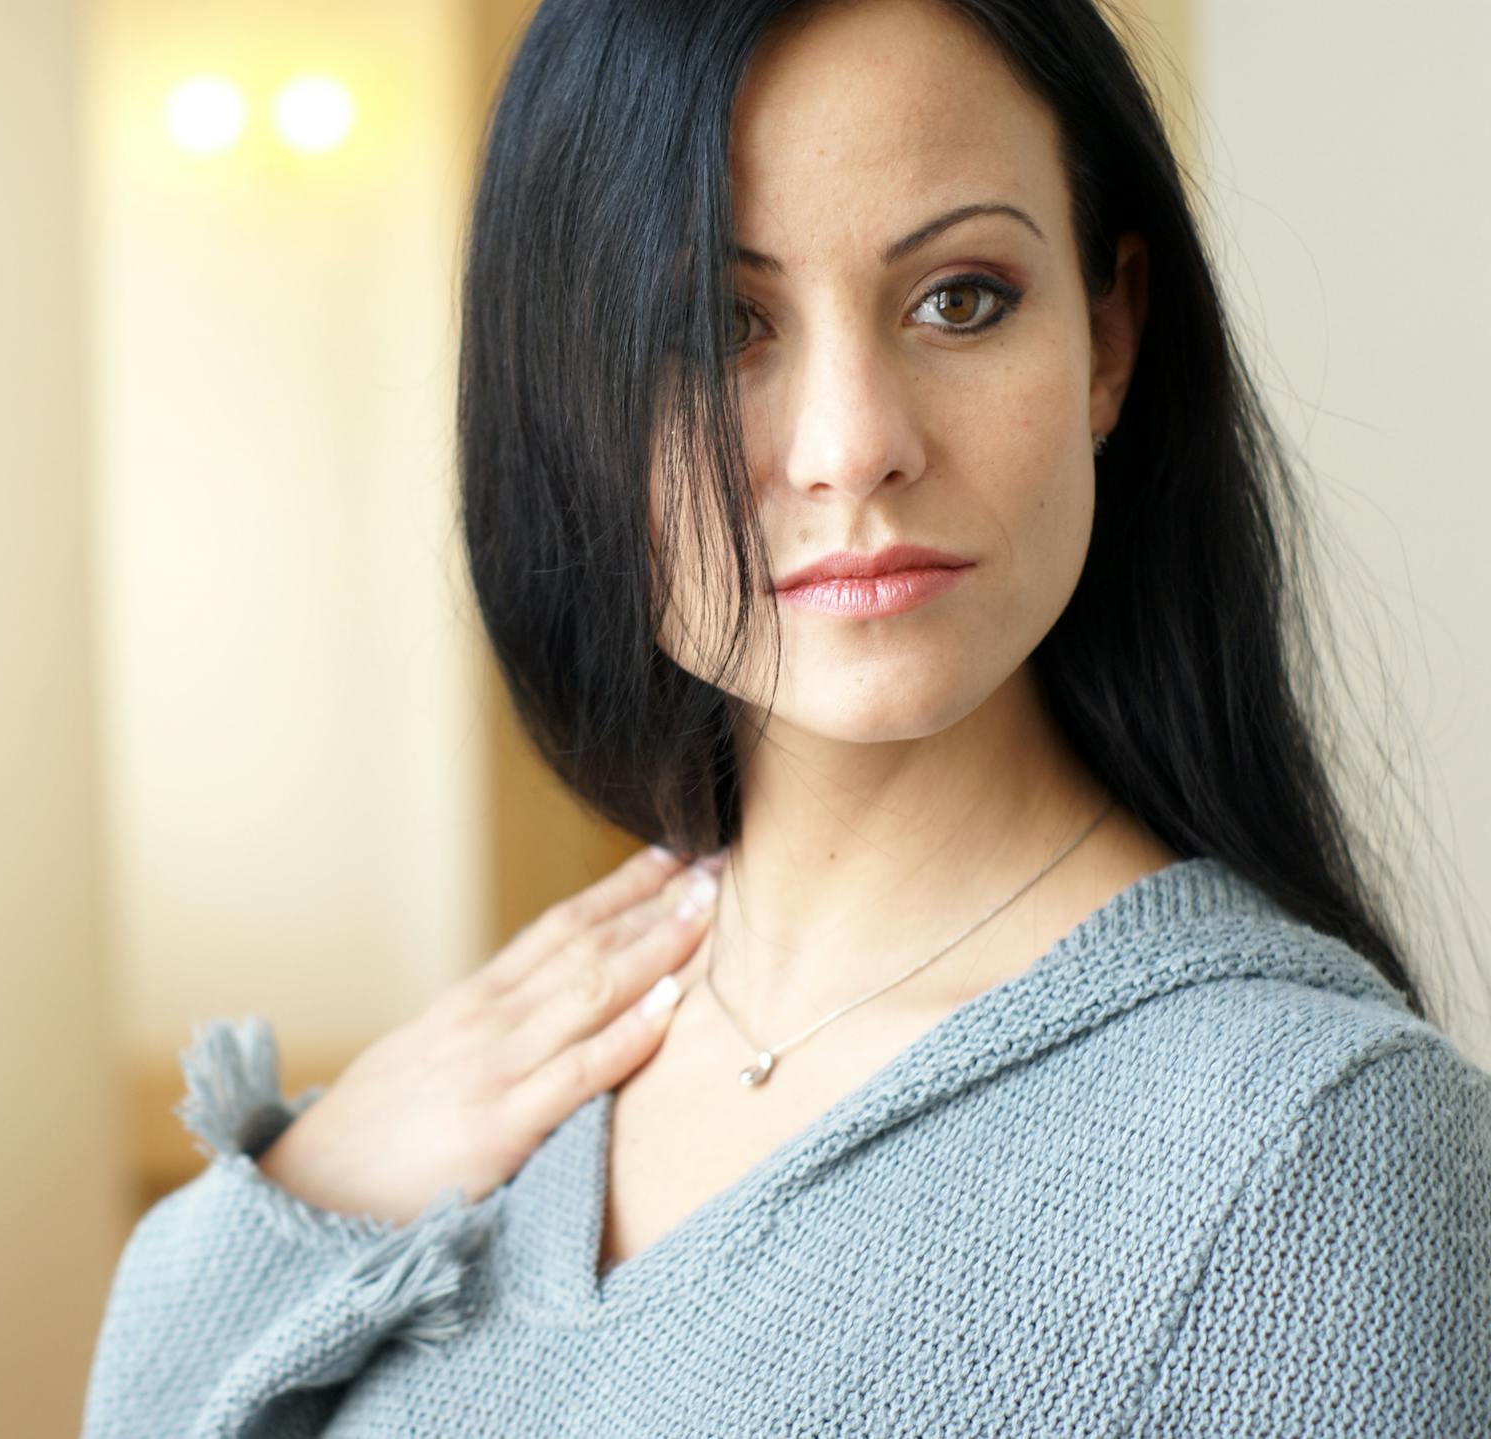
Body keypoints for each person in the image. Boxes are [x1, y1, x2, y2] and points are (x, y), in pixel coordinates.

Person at [80, 1, 1491, 1434]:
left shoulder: (1313, 1155)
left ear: (1110, 338)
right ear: (572, 395)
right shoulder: (493, 1088)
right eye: (716, 326)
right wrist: (306, 1197)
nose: (853, 444)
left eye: (963, 298)